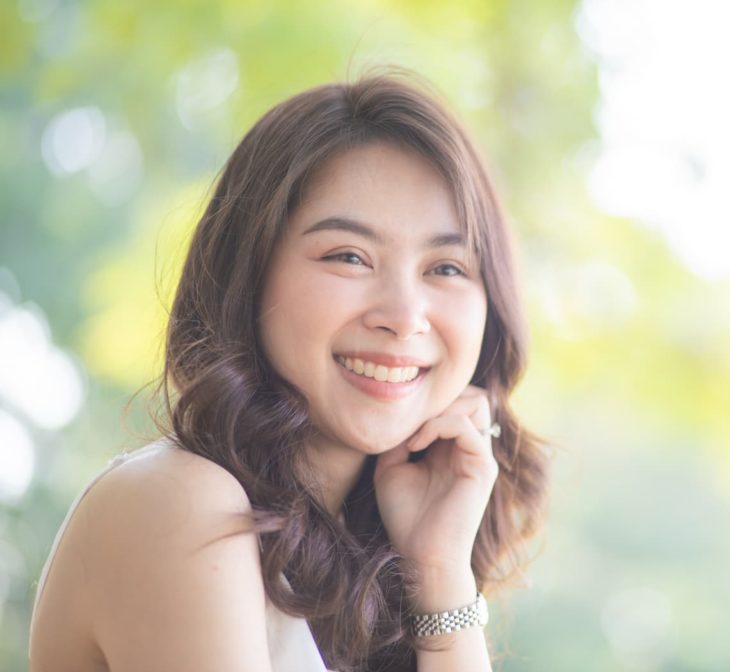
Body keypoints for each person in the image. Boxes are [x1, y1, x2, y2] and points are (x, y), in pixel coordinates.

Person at [28, 69, 549, 672]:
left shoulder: (375, 570)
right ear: (249, 276)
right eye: (348, 257)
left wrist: (440, 575)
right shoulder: (179, 505)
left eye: (448, 268)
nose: (405, 318)